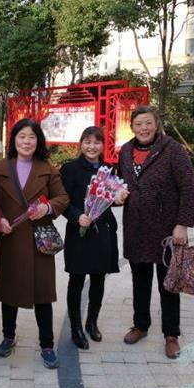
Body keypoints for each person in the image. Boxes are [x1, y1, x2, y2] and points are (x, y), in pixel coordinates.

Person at [117, 106, 194, 359]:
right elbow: (120, 184)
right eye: (138, 124)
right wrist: (117, 196)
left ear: (156, 124)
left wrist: (182, 224)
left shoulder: (173, 150)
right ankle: (141, 325)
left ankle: (171, 335)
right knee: (139, 281)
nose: (144, 128)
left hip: (166, 231)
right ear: (132, 127)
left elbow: (189, 187)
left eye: (148, 123)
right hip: (136, 227)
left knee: (168, 284)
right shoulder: (125, 151)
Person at [0, 119, 69, 369]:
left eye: (31, 137)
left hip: (38, 240)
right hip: (10, 238)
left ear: (38, 141)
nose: (26, 141)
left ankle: (47, 345)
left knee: (43, 294)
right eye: (22, 136)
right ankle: (8, 336)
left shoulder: (47, 169)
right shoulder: (1, 168)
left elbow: (62, 197)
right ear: (13, 139)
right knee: (10, 292)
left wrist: (48, 207)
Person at [59, 126, 129, 350]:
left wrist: (120, 198)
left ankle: (91, 322)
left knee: (99, 279)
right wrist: (76, 216)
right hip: (79, 233)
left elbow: (111, 200)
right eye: (87, 142)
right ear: (81, 144)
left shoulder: (109, 169)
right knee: (77, 280)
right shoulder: (69, 169)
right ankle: (75, 328)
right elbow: (62, 201)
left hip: (103, 232)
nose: (92, 147)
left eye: (96, 142)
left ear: (103, 145)